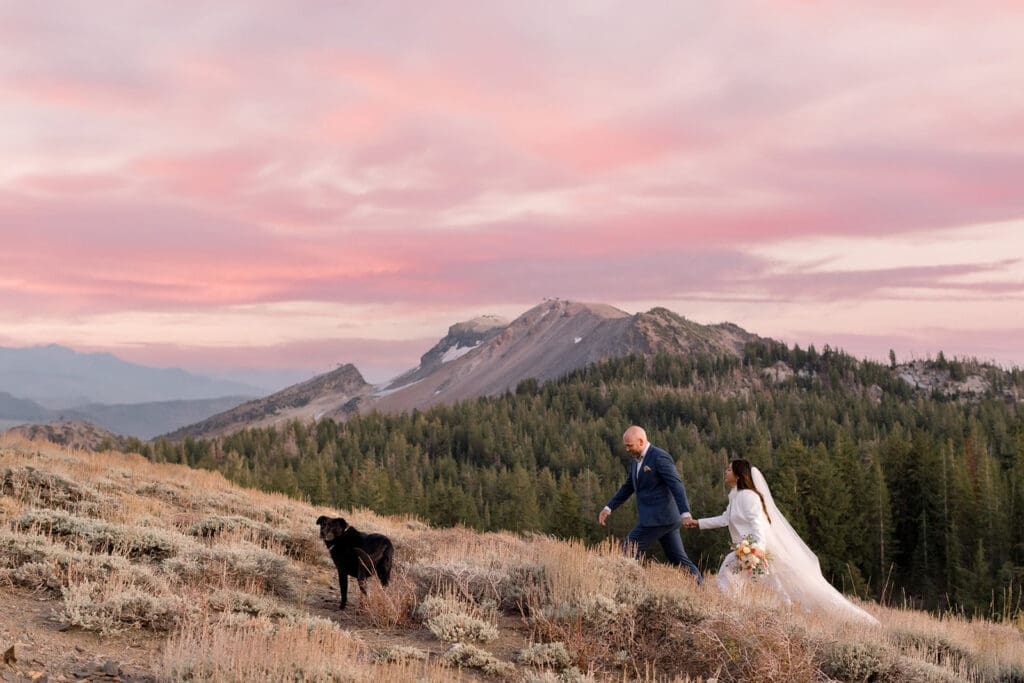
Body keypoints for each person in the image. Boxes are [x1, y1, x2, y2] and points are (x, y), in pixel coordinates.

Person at [684, 459, 878, 624]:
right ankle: (774, 613)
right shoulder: (736, 496)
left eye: (728, 469)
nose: (725, 472)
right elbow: (725, 519)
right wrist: (697, 523)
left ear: (738, 475)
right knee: (772, 585)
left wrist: (755, 551)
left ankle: (730, 616)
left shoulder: (749, 497)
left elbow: (757, 524)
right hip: (746, 550)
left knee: (728, 575)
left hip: (752, 550)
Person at [599, 426, 701, 581]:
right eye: (625, 445)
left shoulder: (659, 457)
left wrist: (685, 513)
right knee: (678, 559)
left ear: (641, 441)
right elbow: (628, 487)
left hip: (660, 518)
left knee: (629, 548)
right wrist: (608, 507)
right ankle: (700, 586)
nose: (627, 449)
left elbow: (676, 485)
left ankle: (632, 586)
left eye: (629, 445)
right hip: (663, 520)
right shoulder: (635, 461)